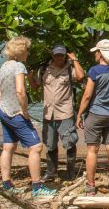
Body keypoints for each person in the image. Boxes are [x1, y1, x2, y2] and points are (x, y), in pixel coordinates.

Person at [0, 36, 56, 197]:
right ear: (21, 51)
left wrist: (3, 100)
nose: (28, 52)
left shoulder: (5, 65)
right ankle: (37, 187)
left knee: (9, 147)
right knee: (36, 147)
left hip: (3, 110)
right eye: (27, 49)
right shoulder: (19, 66)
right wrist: (24, 111)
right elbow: (20, 91)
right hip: (15, 113)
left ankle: (6, 184)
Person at [28, 45, 84, 182]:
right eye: (56, 55)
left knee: (69, 143)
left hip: (65, 112)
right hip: (49, 113)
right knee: (50, 144)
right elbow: (35, 87)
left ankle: (71, 173)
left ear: (65, 56)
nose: (59, 58)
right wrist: (30, 77)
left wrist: (75, 59)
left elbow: (81, 76)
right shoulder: (43, 70)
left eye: (62, 55)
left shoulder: (70, 69)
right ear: (52, 56)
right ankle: (51, 172)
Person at [76, 39, 109, 194]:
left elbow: (87, 96)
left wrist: (79, 114)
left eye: (97, 52)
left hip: (96, 113)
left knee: (92, 150)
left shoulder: (94, 71)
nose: (95, 54)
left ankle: (90, 186)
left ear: (101, 54)